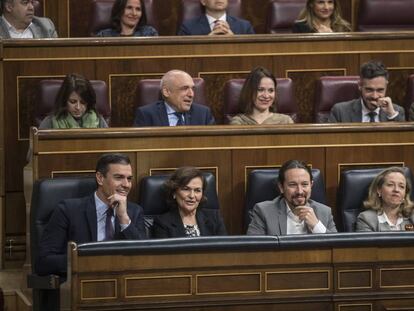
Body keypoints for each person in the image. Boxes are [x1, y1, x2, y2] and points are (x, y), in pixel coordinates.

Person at [36, 153, 147, 277]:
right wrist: (90, 263)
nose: (126, 184)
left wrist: (124, 219)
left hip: (123, 286)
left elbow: (144, 259)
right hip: (83, 284)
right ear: (100, 178)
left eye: (129, 178)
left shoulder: (134, 212)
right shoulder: (68, 210)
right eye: (119, 177)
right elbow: (44, 262)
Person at [247, 160, 337, 235]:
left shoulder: (324, 212)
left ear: (311, 185)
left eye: (305, 184)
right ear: (281, 187)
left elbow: (337, 248)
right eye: (293, 185)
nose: (300, 191)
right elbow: (253, 249)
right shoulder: (263, 211)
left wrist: (316, 226)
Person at [152, 166, 227, 238]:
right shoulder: (162, 223)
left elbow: (224, 248)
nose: (192, 196)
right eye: (186, 189)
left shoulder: (214, 218)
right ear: (174, 192)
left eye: (197, 190)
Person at [328, 61, 406, 123]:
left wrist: (391, 115)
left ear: (386, 86)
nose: (375, 96)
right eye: (369, 90)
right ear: (360, 86)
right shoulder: (340, 112)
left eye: (380, 90)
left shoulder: (397, 111)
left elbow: (404, 140)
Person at [133, 70, 215, 126]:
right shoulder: (147, 114)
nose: (191, 94)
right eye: (184, 88)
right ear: (166, 92)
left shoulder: (203, 114)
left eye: (192, 88)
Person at [38, 73, 108, 129]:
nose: (78, 107)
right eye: (73, 102)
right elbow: (36, 146)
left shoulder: (99, 121)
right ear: (64, 100)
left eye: (83, 102)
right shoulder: (50, 121)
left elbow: (110, 145)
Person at [230, 67, 294, 125]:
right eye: (260, 90)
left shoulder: (285, 121)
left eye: (271, 90)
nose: (266, 96)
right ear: (250, 91)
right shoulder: (239, 122)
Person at [356, 167, 414, 232]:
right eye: (390, 185)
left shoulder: (412, 217)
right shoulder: (366, 219)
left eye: (401, 186)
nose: (396, 190)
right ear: (379, 190)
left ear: (405, 193)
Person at [177, 0, 254, 36]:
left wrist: (234, 41)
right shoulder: (188, 27)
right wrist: (207, 42)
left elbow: (253, 53)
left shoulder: (245, 26)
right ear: (203, 1)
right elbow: (181, 53)